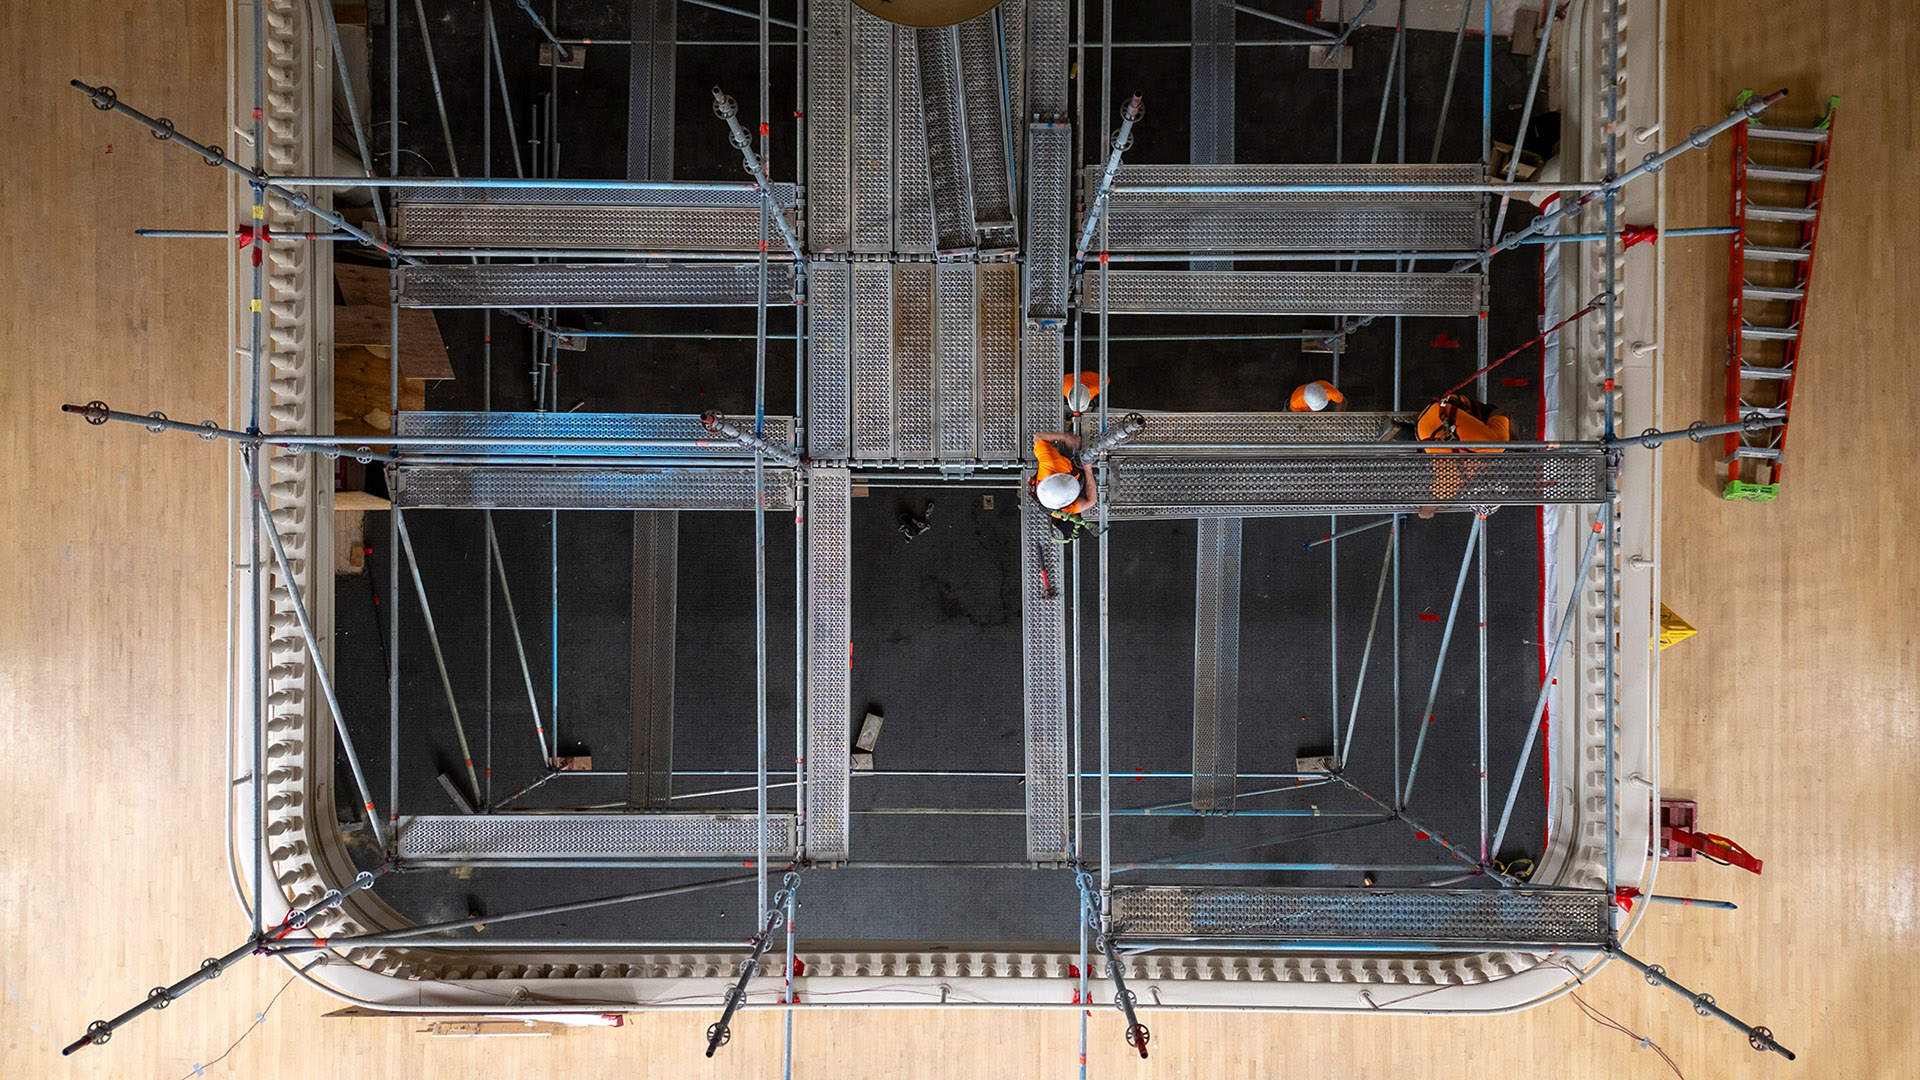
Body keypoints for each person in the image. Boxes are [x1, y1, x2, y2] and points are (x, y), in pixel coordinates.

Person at [1411, 393, 1512, 517]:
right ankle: (1401, 432)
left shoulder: (1495, 445)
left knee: (1495, 416)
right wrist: (1427, 512)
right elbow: (1424, 512)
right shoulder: (1450, 485)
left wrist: (1518, 448)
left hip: (1443, 409)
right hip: (1422, 429)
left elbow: (1502, 412)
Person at [1030, 429, 1098, 541]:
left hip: (1063, 466)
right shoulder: (1063, 510)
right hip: (1070, 479)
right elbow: (1091, 501)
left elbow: (1038, 437)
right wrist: (1088, 469)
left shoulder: (1050, 461)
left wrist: (1065, 437)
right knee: (1074, 531)